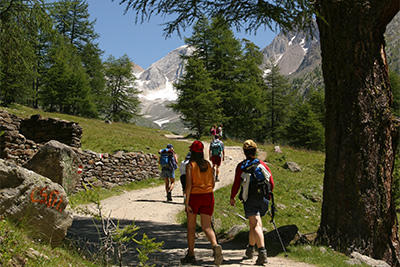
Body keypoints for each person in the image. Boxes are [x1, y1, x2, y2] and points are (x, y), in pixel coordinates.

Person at [230, 140, 274, 265]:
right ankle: (250, 248)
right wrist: (268, 195)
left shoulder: (241, 166)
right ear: (255, 151)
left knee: (256, 225)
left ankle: (262, 252)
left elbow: (236, 184)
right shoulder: (262, 164)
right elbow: (271, 182)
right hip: (263, 198)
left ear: (244, 152)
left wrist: (232, 197)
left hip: (250, 198)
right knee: (254, 224)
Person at [181, 140, 223, 265]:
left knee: (191, 227)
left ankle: (191, 254)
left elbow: (188, 185)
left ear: (192, 151)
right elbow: (213, 183)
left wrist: (187, 203)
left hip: (194, 196)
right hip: (208, 195)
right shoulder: (208, 164)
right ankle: (215, 245)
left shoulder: (190, 165)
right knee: (207, 226)